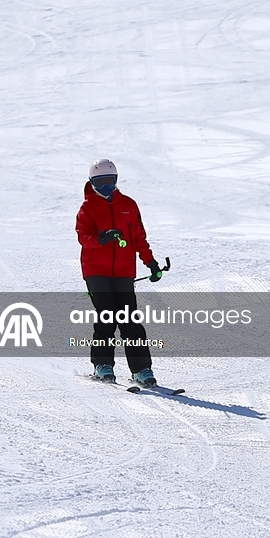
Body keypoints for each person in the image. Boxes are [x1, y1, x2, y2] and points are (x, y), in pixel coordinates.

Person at [75, 158, 164, 386]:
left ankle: (141, 369)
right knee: (107, 315)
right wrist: (101, 238)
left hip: (123, 271)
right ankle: (102, 365)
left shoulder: (129, 205)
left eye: (110, 182)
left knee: (129, 319)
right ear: (92, 183)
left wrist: (151, 263)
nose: (106, 188)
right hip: (96, 270)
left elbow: (139, 238)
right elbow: (83, 237)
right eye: (100, 183)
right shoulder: (87, 209)